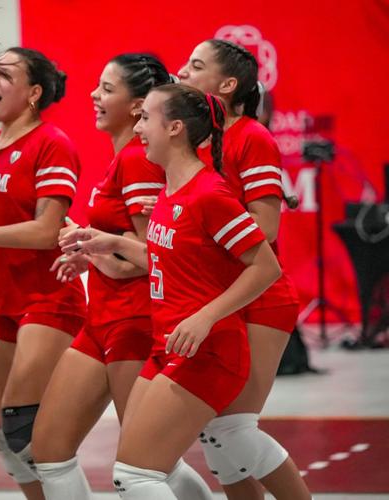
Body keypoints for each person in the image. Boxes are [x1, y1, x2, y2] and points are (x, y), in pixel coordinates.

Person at [59, 83, 281, 499]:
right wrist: (113, 243)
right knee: (140, 470)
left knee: (136, 476)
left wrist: (206, 316)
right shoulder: (169, 189)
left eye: (146, 118)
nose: (138, 127)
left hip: (207, 350)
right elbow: (168, 259)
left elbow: (265, 267)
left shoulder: (210, 194)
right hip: (168, 344)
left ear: (175, 127)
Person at [32, 54, 211, 500]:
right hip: (101, 318)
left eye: (107, 89)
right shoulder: (122, 160)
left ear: (138, 108)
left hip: (135, 321)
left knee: (147, 466)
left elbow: (154, 257)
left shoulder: (137, 161)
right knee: (49, 450)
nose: (94, 96)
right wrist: (88, 247)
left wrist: (87, 244)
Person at [0, 47, 86, 500]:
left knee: (22, 423)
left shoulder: (52, 144)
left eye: (4, 75)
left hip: (48, 297)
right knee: (7, 440)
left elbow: (48, 231)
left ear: (33, 93)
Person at [177, 39, 310, 500]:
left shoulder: (251, 136)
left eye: (195, 66)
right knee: (217, 440)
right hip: (214, 297)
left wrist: (197, 227)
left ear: (228, 84)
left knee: (232, 431)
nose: (180, 72)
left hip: (260, 298)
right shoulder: (196, 141)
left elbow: (265, 225)